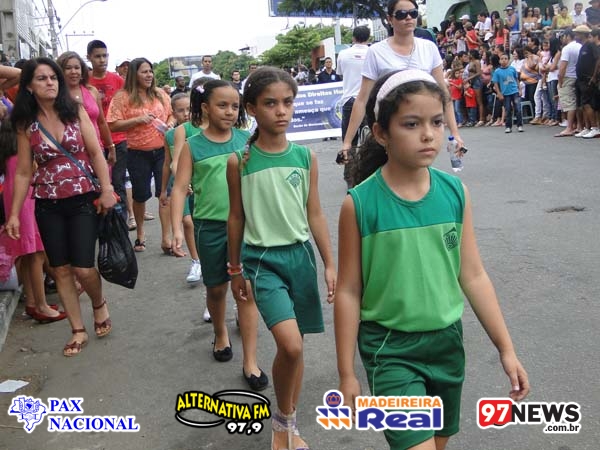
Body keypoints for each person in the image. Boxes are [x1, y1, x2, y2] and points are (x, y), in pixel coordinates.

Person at [334, 69, 529, 450]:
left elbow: (473, 275)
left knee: (439, 442)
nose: (428, 134)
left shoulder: (455, 192)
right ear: (381, 133)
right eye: (411, 124)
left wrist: (506, 349)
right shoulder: (359, 204)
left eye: (437, 122)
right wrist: (346, 373)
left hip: (447, 344)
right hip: (389, 349)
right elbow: (348, 291)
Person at [226, 67, 336, 450]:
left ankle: (287, 424)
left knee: (296, 349)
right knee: (290, 345)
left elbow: (315, 213)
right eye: (270, 103)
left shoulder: (306, 157)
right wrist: (234, 269)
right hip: (262, 261)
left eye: (287, 102)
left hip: (300, 259)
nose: (281, 111)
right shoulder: (239, 161)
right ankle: (282, 422)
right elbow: (236, 217)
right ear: (252, 108)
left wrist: (330, 263)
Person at [6, 57, 116, 356]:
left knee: (83, 268)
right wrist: (14, 214)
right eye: (42, 78)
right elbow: (24, 172)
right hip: (47, 202)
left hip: (82, 197)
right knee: (61, 269)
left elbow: (96, 152)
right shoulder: (25, 123)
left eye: (53, 77)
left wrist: (107, 188)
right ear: (29, 86)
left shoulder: (74, 111)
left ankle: (98, 303)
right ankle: (77, 330)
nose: (50, 82)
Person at [170, 79, 267, 392]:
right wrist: (176, 228)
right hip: (209, 228)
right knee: (216, 289)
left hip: (247, 227)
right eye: (222, 105)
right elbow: (179, 189)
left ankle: (250, 361)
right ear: (205, 108)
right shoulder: (193, 146)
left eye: (234, 106)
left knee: (246, 290)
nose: (229, 111)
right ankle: (220, 333)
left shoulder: (247, 140)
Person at [340, 0, 464, 163]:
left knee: (420, 168)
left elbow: (444, 94)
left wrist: (455, 134)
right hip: (391, 125)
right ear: (390, 19)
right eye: (401, 14)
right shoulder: (376, 52)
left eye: (413, 13)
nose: (408, 18)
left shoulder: (429, 48)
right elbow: (362, 99)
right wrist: (347, 142)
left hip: (422, 123)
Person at [0, 119, 66, 324]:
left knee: (27, 254)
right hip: (26, 201)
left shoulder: (7, 155)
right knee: (36, 253)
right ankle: (41, 305)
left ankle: (32, 302)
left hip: (13, 201)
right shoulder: (24, 153)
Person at [106, 57, 175, 253]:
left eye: (150, 71)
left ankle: (166, 238)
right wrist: (138, 120)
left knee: (165, 194)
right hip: (136, 153)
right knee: (140, 195)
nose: (149, 75)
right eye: (144, 71)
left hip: (163, 151)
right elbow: (112, 124)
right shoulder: (122, 97)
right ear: (134, 74)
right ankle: (140, 234)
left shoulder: (160, 94)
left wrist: (170, 123)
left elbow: (171, 113)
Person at [86, 40, 127, 217]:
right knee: (96, 185)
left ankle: (120, 224)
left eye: (105, 56)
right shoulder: (84, 81)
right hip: (92, 140)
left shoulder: (118, 81)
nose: (102, 60)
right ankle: (100, 225)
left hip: (118, 139)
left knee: (118, 184)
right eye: (97, 56)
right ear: (89, 58)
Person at [57, 51, 115, 165]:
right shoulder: (55, 95)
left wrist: (111, 146)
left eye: (77, 68)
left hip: (97, 151)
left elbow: (101, 122)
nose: (73, 72)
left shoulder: (92, 91)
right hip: (69, 155)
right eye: (68, 68)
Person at [336, 25, 371, 187]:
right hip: (367, 99)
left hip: (349, 100)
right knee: (369, 139)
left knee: (349, 139)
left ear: (353, 38)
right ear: (368, 38)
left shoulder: (343, 54)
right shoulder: (373, 53)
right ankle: (366, 174)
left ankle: (349, 177)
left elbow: (340, 73)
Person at [555, 30, 582, 137]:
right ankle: (579, 125)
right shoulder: (579, 46)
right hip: (577, 76)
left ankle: (569, 127)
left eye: (563, 36)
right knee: (576, 102)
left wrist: (560, 79)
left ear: (567, 36)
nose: (562, 39)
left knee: (569, 103)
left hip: (568, 76)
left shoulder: (567, 48)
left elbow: (563, 66)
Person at [492, 52, 524, 133]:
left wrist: (519, 89)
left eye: (505, 59)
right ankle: (508, 126)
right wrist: (499, 93)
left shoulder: (512, 69)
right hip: (505, 93)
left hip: (514, 91)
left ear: (508, 60)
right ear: (499, 61)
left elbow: (516, 80)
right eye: (502, 59)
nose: (504, 60)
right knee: (508, 109)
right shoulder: (497, 71)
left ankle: (519, 125)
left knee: (518, 108)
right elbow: (495, 83)